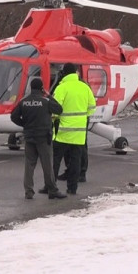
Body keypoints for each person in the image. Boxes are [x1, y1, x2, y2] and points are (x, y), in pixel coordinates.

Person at [10, 78, 66, 200]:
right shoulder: (45, 101)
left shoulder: (24, 101)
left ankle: (28, 192)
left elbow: (13, 116)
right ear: (41, 88)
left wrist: (24, 124)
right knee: (47, 165)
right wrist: (50, 96)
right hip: (43, 137)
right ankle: (52, 190)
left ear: (31, 88)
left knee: (29, 165)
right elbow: (59, 109)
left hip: (29, 137)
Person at [52, 63, 96, 195]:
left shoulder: (62, 87)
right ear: (76, 72)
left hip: (63, 132)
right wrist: (81, 118)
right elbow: (92, 107)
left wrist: (54, 119)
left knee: (56, 160)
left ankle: (51, 185)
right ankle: (72, 188)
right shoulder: (85, 88)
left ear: (64, 73)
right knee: (76, 161)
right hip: (79, 134)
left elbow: (55, 109)